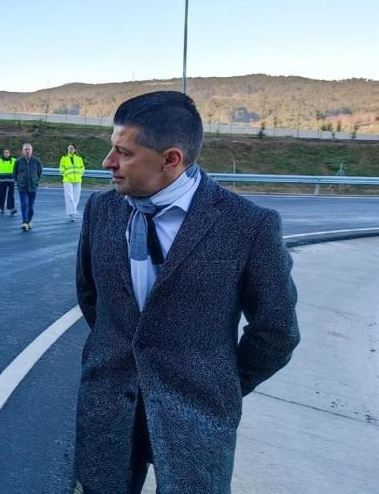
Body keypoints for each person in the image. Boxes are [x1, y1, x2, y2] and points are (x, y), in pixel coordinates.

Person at [73, 91, 300, 494]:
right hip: (108, 405)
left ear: (170, 159)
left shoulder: (249, 226)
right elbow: (93, 300)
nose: (108, 162)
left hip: (197, 415)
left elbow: (277, 331)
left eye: (123, 153)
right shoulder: (100, 210)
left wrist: (221, 382)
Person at [13, 143, 42, 231]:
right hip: (22, 187)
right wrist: (19, 182)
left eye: (29, 149)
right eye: (25, 149)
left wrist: (36, 182)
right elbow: (15, 174)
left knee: (31, 207)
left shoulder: (37, 161)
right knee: (24, 205)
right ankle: (24, 222)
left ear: (31, 150)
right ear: (23, 151)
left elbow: (39, 173)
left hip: (33, 187)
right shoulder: (18, 161)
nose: (27, 151)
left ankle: (29, 221)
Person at [59, 144, 85, 222]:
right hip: (67, 179)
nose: (70, 149)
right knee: (69, 196)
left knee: (76, 197)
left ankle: (72, 214)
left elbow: (82, 168)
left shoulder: (79, 159)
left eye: (71, 148)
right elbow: (61, 168)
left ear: (75, 150)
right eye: (69, 148)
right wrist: (65, 174)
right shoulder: (64, 158)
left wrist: (80, 174)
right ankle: (73, 212)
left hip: (77, 179)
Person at [0, 148, 17, 215]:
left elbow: (17, 169)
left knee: (11, 195)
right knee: (1, 195)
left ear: (10, 153)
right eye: (5, 152)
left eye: (7, 152)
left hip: (11, 180)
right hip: (2, 181)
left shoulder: (14, 160)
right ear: (3, 153)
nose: (6, 153)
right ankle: (2, 208)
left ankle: (11, 208)